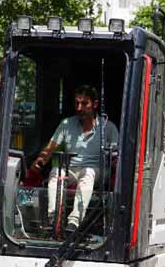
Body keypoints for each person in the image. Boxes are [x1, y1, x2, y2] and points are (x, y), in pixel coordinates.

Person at [29, 84, 119, 234]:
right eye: (77, 103)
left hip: (96, 172)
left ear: (95, 104)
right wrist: (39, 162)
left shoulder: (108, 127)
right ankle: (53, 218)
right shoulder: (66, 124)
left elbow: (117, 155)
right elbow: (50, 148)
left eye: (84, 103)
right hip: (71, 170)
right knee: (56, 172)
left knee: (88, 173)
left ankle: (74, 221)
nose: (79, 107)